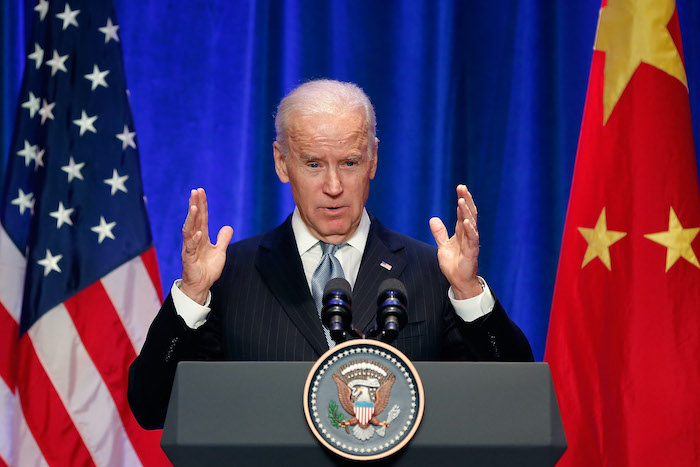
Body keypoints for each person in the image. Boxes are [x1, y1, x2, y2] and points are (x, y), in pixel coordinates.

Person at [128, 80, 533, 430]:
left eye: (350, 162)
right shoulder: (231, 277)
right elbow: (152, 408)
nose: (334, 186)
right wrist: (193, 296)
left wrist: (468, 294)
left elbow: (516, 402)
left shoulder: (432, 271)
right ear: (282, 162)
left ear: (372, 159)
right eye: (314, 163)